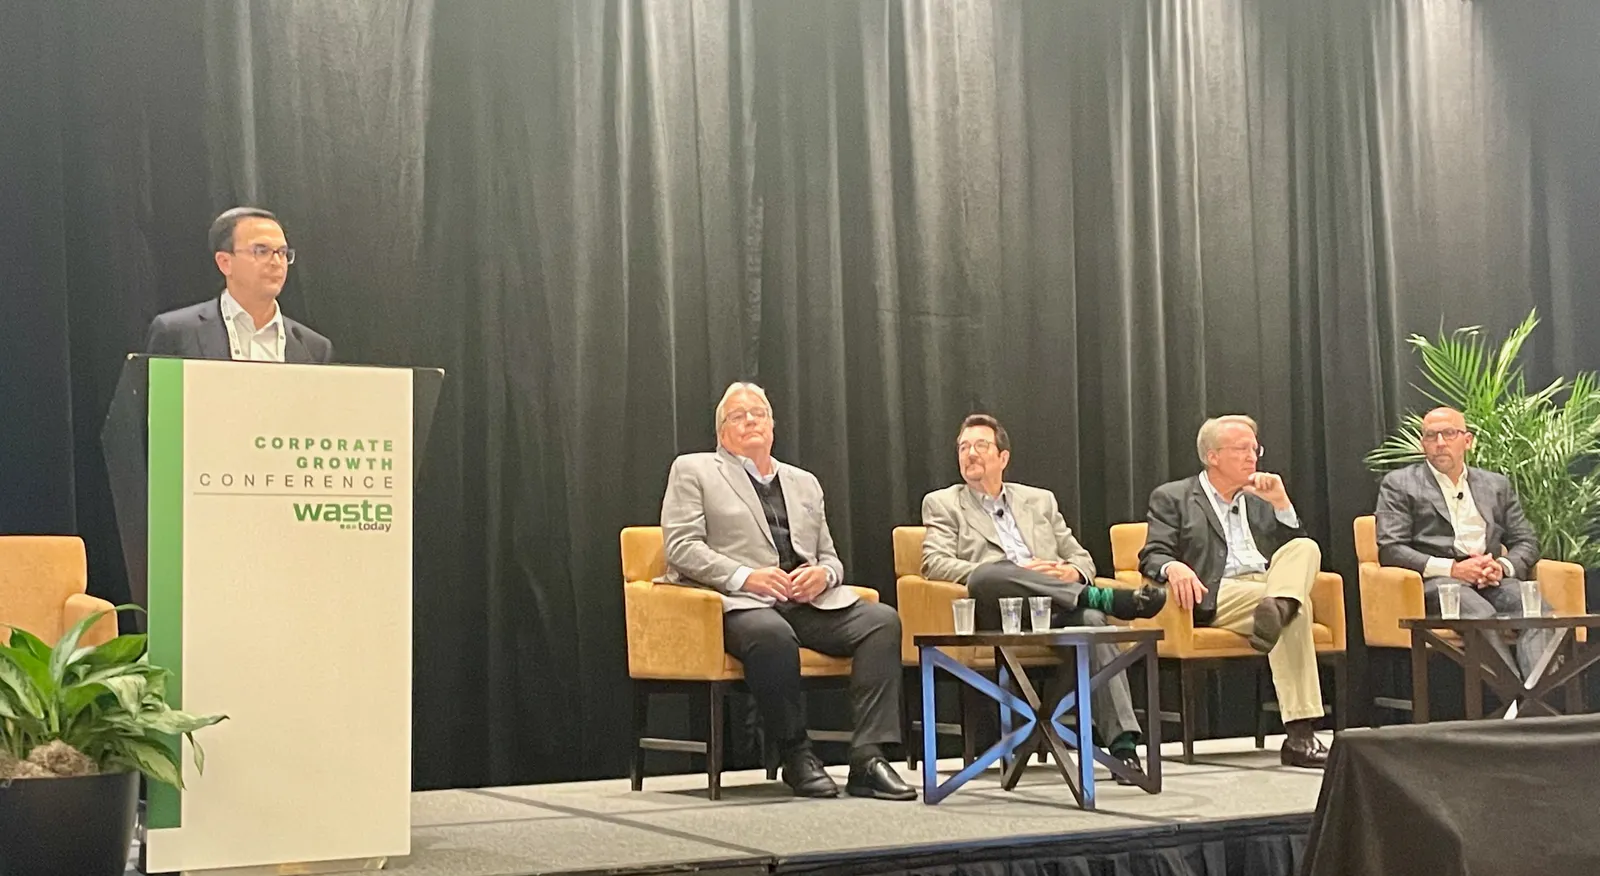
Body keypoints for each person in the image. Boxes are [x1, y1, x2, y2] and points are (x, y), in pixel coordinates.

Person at [659, 382, 915, 801]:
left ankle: (869, 758)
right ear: (722, 433)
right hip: (737, 601)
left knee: (881, 621)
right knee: (772, 635)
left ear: (773, 426)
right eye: (738, 416)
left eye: (758, 413)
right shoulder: (694, 470)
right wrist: (746, 576)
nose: (750, 421)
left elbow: (831, 557)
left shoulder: (804, 482)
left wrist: (824, 576)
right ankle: (795, 753)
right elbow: (681, 547)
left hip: (804, 600)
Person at [920, 414, 1165, 780]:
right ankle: (1097, 597)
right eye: (963, 447)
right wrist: (1019, 573)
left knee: (1094, 624)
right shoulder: (943, 503)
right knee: (989, 573)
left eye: (980, 446)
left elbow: (1080, 555)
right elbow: (933, 562)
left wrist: (1072, 572)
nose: (970, 454)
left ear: (1003, 457)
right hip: (998, 609)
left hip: (1055, 608)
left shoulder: (1040, 501)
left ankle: (1124, 748)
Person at [1139, 414, 1329, 768]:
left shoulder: (1260, 498)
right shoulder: (1175, 497)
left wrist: (1282, 505)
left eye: (1255, 449)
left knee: (1307, 549)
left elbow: (1292, 554)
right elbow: (1152, 555)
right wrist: (1174, 567)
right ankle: (1301, 736)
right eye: (1242, 449)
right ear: (1213, 456)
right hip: (1216, 590)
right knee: (1296, 609)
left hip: (1267, 586)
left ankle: (1280, 605)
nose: (1252, 457)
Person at [1374, 406, 1551, 678]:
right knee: (1478, 612)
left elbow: (1526, 541)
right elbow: (1391, 548)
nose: (1440, 443)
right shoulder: (1399, 484)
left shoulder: (1496, 485)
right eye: (1431, 436)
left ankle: (1533, 702)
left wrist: (1502, 567)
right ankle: (1516, 701)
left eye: (1449, 434)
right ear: (1423, 444)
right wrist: (1453, 569)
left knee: (1538, 609)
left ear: (1467, 441)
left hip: (1492, 579)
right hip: (1440, 584)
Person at [144, 207, 333, 363]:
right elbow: (156, 405)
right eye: (261, 251)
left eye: (282, 252)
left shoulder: (313, 348)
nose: (276, 262)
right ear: (225, 262)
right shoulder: (177, 332)